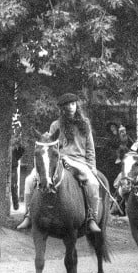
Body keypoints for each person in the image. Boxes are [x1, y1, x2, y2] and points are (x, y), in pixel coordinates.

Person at [16, 93, 101, 233]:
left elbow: (90, 149)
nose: (71, 107)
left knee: (93, 183)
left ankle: (92, 217)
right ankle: (29, 215)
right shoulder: (55, 125)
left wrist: (92, 167)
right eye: (67, 105)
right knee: (29, 179)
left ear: (77, 106)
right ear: (62, 109)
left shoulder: (84, 124)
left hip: (79, 161)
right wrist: (44, 139)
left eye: (73, 104)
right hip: (59, 160)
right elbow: (49, 146)